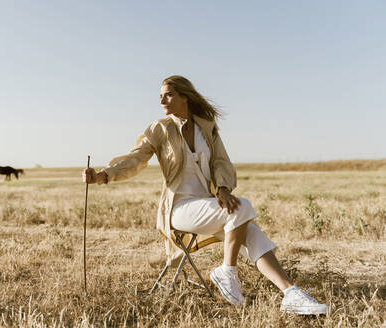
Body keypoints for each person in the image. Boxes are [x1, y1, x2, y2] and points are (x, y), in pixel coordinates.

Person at [83, 75, 329, 315]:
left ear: (185, 97)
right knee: (242, 208)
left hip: (208, 206)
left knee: (254, 236)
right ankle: (227, 272)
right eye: (160, 96)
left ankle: (291, 295)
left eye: (168, 95)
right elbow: (135, 158)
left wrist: (222, 188)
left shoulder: (206, 127)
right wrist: (103, 175)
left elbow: (221, 161)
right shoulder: (159, 128)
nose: (162, 101)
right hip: (179, 208)